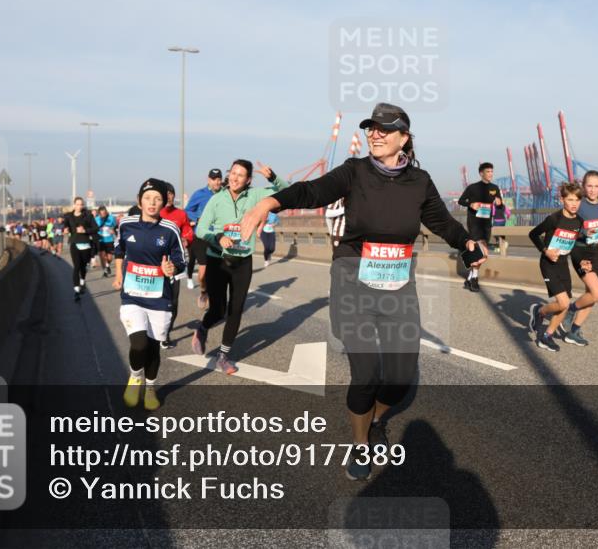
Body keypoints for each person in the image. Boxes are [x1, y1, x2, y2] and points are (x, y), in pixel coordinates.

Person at [240, 102, 487, 481]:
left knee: (401, 376)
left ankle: (375, 421)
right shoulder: (354, 172)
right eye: (372, 127)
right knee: (367, 373)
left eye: (384, 129)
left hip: (398, 285)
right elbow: (312, 191)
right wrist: (269, 203)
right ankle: (359, 444)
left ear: (404, 137)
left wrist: (468, 243)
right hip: (352, 280)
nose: (375, 133)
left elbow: (442, 222)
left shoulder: (419, 182)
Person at [193, 160, 288, 374]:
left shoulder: (255, 196)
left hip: (243, 261)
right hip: (218, 260)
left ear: (248, 180)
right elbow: (200, 229)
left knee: (236, 310)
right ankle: (203, 328)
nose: (235, 177)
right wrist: (218, 237)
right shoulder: (217, 200)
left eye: (241, 175)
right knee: (218, 309)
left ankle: (223, 357)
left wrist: (273, 177)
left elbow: (286, 192)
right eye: (232, 173)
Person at [112, 178, 187, 411]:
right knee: (139, 344)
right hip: (132, 296)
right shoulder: (126, 224)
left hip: (159, 299)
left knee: (154, 347)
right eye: (147, 198)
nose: (152, 203)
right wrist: (118, 275)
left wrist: (172, 268)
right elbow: (119, 250)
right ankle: (135, 376)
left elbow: (181, 261)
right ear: (139, 201)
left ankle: (151, 387)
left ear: (163, 202)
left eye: (157, 199)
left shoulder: (170, 229)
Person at [558, 170, 598, 346]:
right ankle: (570, 310)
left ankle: (574, 331)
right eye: (589, 186)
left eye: (596, 186)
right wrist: (584, 231)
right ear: (583, 187)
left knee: (591, 294)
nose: (592, 190)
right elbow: (565, 226)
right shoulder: (578, 204)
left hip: (595, 251)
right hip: (579, 251)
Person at [527, 182, 588, 352]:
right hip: (548, 264)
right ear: (562, 200)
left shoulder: (579, 221)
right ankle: (540, 312)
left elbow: (575, 245)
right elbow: (533, 234)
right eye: (570, 199)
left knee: (565, 305)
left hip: (563, 265)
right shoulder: (554, 219)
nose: (574, 203)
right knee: (563, 302)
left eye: (577, 200)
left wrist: (583, 260)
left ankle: (546, 336)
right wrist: (545, 251)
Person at [160, 182, 194, 349]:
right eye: (165, 193)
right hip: (156, 265)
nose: (169, 196)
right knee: (158, 300)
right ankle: (156, 331)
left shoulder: (181, 214)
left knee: (173, 302)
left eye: (171, 193)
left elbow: (188, 230)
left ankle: (165, 333)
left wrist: (187, 238)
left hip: (176, 263)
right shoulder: (155, 213)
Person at [458, 162, 502, 292]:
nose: (490, 174)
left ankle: (470, 278)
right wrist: (471, 204)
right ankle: (475, 279)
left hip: (487, 224)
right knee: (482, 251)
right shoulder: (473, 187)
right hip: (474, 223)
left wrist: (499, 203)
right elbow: (461, 200)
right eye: (488, 172)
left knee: (481, 253)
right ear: (481, 173)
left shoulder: (495, 188)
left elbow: (499, 206)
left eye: (492, 172)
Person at [185, 169, 224, 308]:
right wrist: (198, 218)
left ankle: (217, 300)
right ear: (208, 180)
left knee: (219, 272)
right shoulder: (199, 194)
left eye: (219, 179)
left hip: (219, 237)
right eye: (214, 179)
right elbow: (188, 210)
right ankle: (203, 291)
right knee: (202, 274)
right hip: (202, 236)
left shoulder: (225, 193)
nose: (217, 182)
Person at [62, 197, 99, 302]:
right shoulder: (69, 216)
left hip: (86, 244)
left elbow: (96, 228)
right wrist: (65, 229)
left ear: (83, 205)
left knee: (83, 266)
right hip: (74, 243)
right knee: (76, 267)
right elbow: (65, 226)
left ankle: (82, 280)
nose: (79, 206)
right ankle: (76, 291)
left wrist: (85, 230)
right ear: (74, 205)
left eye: (81, 204)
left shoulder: (88, 215)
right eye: (77, 204)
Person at [95, 206, 118, 277]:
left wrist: (113, 230)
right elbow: (93, 229)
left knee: (110, 258)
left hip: (109, 240)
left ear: (106, 212)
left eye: (104, 213)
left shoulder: (111, 218)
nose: (103, 215)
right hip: (100, 240)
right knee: (102, 256)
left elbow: (116, 226)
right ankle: (106, 268)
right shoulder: (96, 219)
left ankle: (107, 266)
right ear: (99, 213)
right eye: (101, 213)